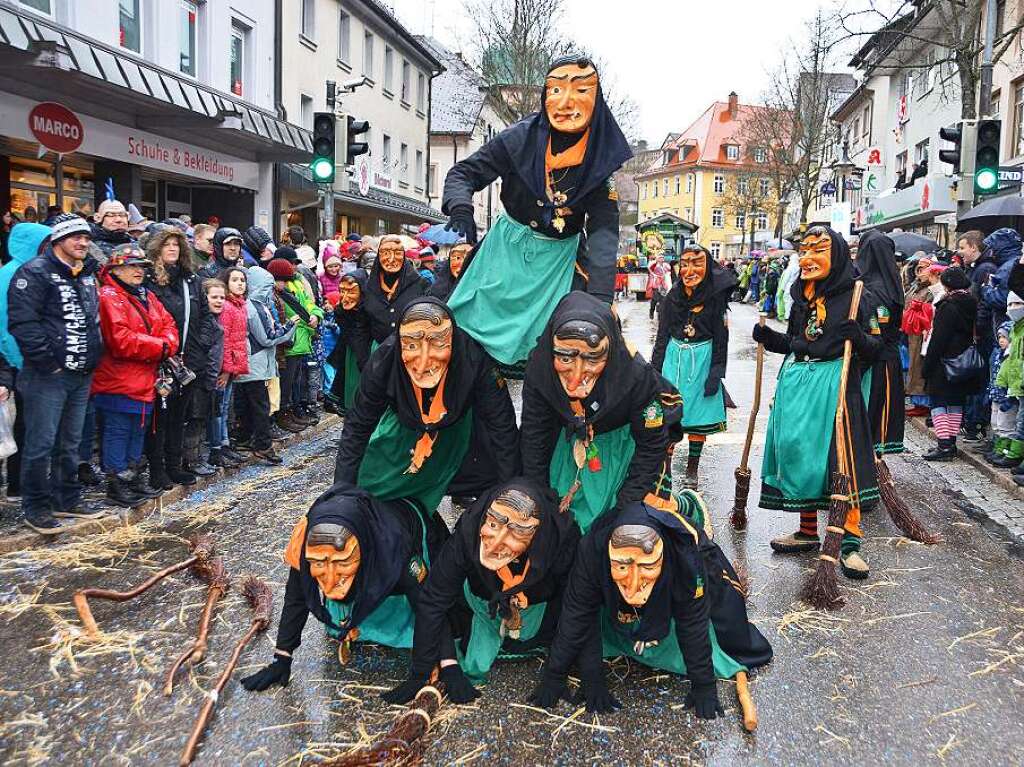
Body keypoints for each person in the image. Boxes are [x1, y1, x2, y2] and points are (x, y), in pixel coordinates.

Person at [441, 55, 631, 368]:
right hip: (504, 254)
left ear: (596, 100)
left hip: (559, 262)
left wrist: (600, 297)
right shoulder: (518, 138)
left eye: (581, 91)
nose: (566, 102)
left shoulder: (600, 160)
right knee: (458, 332)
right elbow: (464, 173)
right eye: (556, 91)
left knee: (572, 345)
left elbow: (604, 234)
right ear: (545, 97)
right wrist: (461, 207)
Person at [530, 498, 772, 715]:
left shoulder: (685, 556)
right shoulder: (592, 550)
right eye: (622, 567)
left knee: (724, 624)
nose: (634, 583)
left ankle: (688, 504)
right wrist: (563, 674)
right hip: (615, 584)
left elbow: (693, 622)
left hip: (683, 574)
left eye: (646, 566)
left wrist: (704, 684)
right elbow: (578, 613)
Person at [752, 226, 878, 579]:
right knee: (799, 456)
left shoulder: (857, 296)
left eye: (817, 250)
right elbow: (796, 341)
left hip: (836, 387)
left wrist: (862, 339)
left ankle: (849, 543)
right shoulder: (802, 297)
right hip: (797, 383)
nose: (806, 258)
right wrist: (771, 339)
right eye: (803, 251)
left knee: (840, 464)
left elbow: (878, 350)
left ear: (836, 254)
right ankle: (808, 531)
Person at [384, 480, 578, 702]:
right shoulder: (469, 530)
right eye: (493, 525)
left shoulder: (563, 540)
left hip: (537, 612)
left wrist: (557, 674)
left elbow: (576, 606)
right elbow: (434, 599)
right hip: (480, 605)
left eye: (516, 534)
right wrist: (428, 669)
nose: (495, 545)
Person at [242, 482, 447, 690]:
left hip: (410, 526)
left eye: (342, 563)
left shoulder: (395, 545)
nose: (329, 581)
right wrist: (282, 657)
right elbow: (297, 595)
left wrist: (437, 659)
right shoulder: (306, 536)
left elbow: (427, 603)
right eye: (319, 563)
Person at [333, 298, 520, 515]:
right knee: (372, 490)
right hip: (406, 429)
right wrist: (340, 497)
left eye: (439, 344)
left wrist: (511, 494)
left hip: (460, 429)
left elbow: (502, 426)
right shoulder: (383, 361)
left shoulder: (474, 359)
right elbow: (357, 427)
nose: (423, 363)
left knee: (495, 488)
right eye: (411, 346)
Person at [521, 291, 683, 533]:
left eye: (592, 360)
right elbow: (534, 434)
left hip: (623, 446)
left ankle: (683, 505)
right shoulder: (540, 367)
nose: (576, 378)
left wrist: (626, 506)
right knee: (560, 521)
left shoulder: (637, 376)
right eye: (565, 359)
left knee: (621, 526)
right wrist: (537, 498)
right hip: (568, 444)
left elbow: (651, 444)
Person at [8, 214, 104, 532]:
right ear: (58, 240)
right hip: (46, 375)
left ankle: (67, 498)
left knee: (72, 441)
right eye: (76, 237)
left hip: (81, 374)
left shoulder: (87, 273)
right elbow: (23, 322)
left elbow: (92, 319)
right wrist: (48, 362)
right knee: (41, 442)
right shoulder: (34, 272)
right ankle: (36, 505)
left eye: (87, 237)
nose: (83, 242)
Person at [92, 244, 179, 507]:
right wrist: (161, 346)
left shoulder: (146, 296)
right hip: (117, 380)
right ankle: (117, 482)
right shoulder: (109, 296)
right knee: (119, 431)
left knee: (138, 429)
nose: (138, 271)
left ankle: (132, 477)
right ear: (115, 268)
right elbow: (120, 340)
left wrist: (163, 344)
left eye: (141, 266)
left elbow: (169, 325)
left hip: (143, 379)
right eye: (131, 265)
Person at [651, 246, 736, 489]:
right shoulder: (671, 299)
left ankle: (691, 469)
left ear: (707, 266)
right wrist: (654, 371)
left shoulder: (716, 301)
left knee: (698, 419)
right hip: (674, 361)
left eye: (697, 263)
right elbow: (661, 337)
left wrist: (716, 373)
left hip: (702, 362)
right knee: (669, 418)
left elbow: (722, 341)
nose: (690, 270)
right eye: (685, 263)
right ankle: (665, 469)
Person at [142, 226, 202, 490]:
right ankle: (157, 469)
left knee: (179, 416)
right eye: (167, 244)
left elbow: (202, 319)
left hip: (186, 358)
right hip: (159, 359)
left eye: (177, 245)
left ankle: (174, 466)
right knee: (159, 418)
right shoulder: (148, 281)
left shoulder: (189, 280)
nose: (172, 249)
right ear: (156, 248)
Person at [0, 222, 51, 502]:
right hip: (21, 362)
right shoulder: (10, 274)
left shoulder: (37, 271)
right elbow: (5, 325)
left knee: (33, 426)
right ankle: (18, 484)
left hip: (30, 361)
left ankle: (25, 482)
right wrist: (17, 362)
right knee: (25, 426)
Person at [233, 267, 298, 461]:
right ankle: (263, 445)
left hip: (251, 362)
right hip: (256, 364)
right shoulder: (255, 307)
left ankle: (245, 439)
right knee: (261, 406)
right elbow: (267, 338)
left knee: (246, 405)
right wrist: (290, 326)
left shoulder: (252, 304)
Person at [922, 267, 982, 461]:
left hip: (944, 362)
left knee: (938, 402)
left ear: (947, 284)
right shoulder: (972, 302)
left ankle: (944, 444)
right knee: (956, 401)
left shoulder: (948, 305)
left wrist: (927, 366)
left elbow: (938, 339)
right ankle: (952, 443)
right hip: (963, 360)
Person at [857, 229, 905, 456]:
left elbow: (878, 328)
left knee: (871, 412)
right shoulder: (890, 282)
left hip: (875, 361)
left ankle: (868, 464)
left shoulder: (875, 288)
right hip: (885, 358)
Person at [266, 258, 323, 431]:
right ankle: (283, 413)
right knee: (286, 382)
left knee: (294, 381)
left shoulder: (296, 285)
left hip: (301, 340)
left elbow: (308, 304)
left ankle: (291, 411)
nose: (282, 283)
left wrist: (315, 315)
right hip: (289, 343)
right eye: (280, 279)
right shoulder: (274, 294)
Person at [182, 279, 226, 477]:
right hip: (199, 377)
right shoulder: (201, 323)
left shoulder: (215, 321)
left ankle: (197, 456)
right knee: (195, 419)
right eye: (213, 297)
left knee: (202, 419)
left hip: (211, 377)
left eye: (222, 298)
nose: (218, 301)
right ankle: (191, 459)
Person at [210, 267, 250, 468]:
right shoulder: (226, 307)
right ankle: (217, 446)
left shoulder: (239, 305)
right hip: (224, 367)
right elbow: (223, 340)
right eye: (235, 280)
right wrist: (225, 369)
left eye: (242, 279)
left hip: (233, 364)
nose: (240, 283)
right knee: (219, 408)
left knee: (226, 407)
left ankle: (224, 443)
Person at [361, 235, 426, 345]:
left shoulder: (420, 284)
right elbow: (363, 323)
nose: (391, 259)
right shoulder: (370, 286)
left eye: (397, 253)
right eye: (385, 253)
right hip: (378, 351)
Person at [325, 270, 370, 415]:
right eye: (342, 291)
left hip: (369, 354)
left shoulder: (372, 310)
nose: (345, 297)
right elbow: (349, 335)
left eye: (351, 292)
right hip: (351, 355)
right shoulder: (341, 312)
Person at [902, 257, 936, 417]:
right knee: (912, 365)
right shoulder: (916, 286)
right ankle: (916, 399)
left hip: (921, 331)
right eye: (919, 268)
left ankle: (923, 401)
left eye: (924, 268)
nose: (920, 271)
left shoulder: (931, 289)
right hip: (910, 330)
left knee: (918, 365)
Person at [987, 319, 1019, 469]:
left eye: (1004, 337)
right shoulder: (998, 354)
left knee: (1006, 424)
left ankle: (1004, 449)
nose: (1001, 340)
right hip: (996, 394)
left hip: (1006, 396)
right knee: (997, 423)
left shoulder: (1010, 356)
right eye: (999, 337)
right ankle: (998, 448)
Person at [647, 253, 672, 320]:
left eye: (662, 257)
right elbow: (650, 268)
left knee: (663, 300)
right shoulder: (654, 265)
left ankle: (661, 315)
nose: (662, 259)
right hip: (656, 284)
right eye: (660, 257)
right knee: (654, 300)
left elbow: (670, 271)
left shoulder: (666, 265)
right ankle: (651, 311)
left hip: (664, 285)